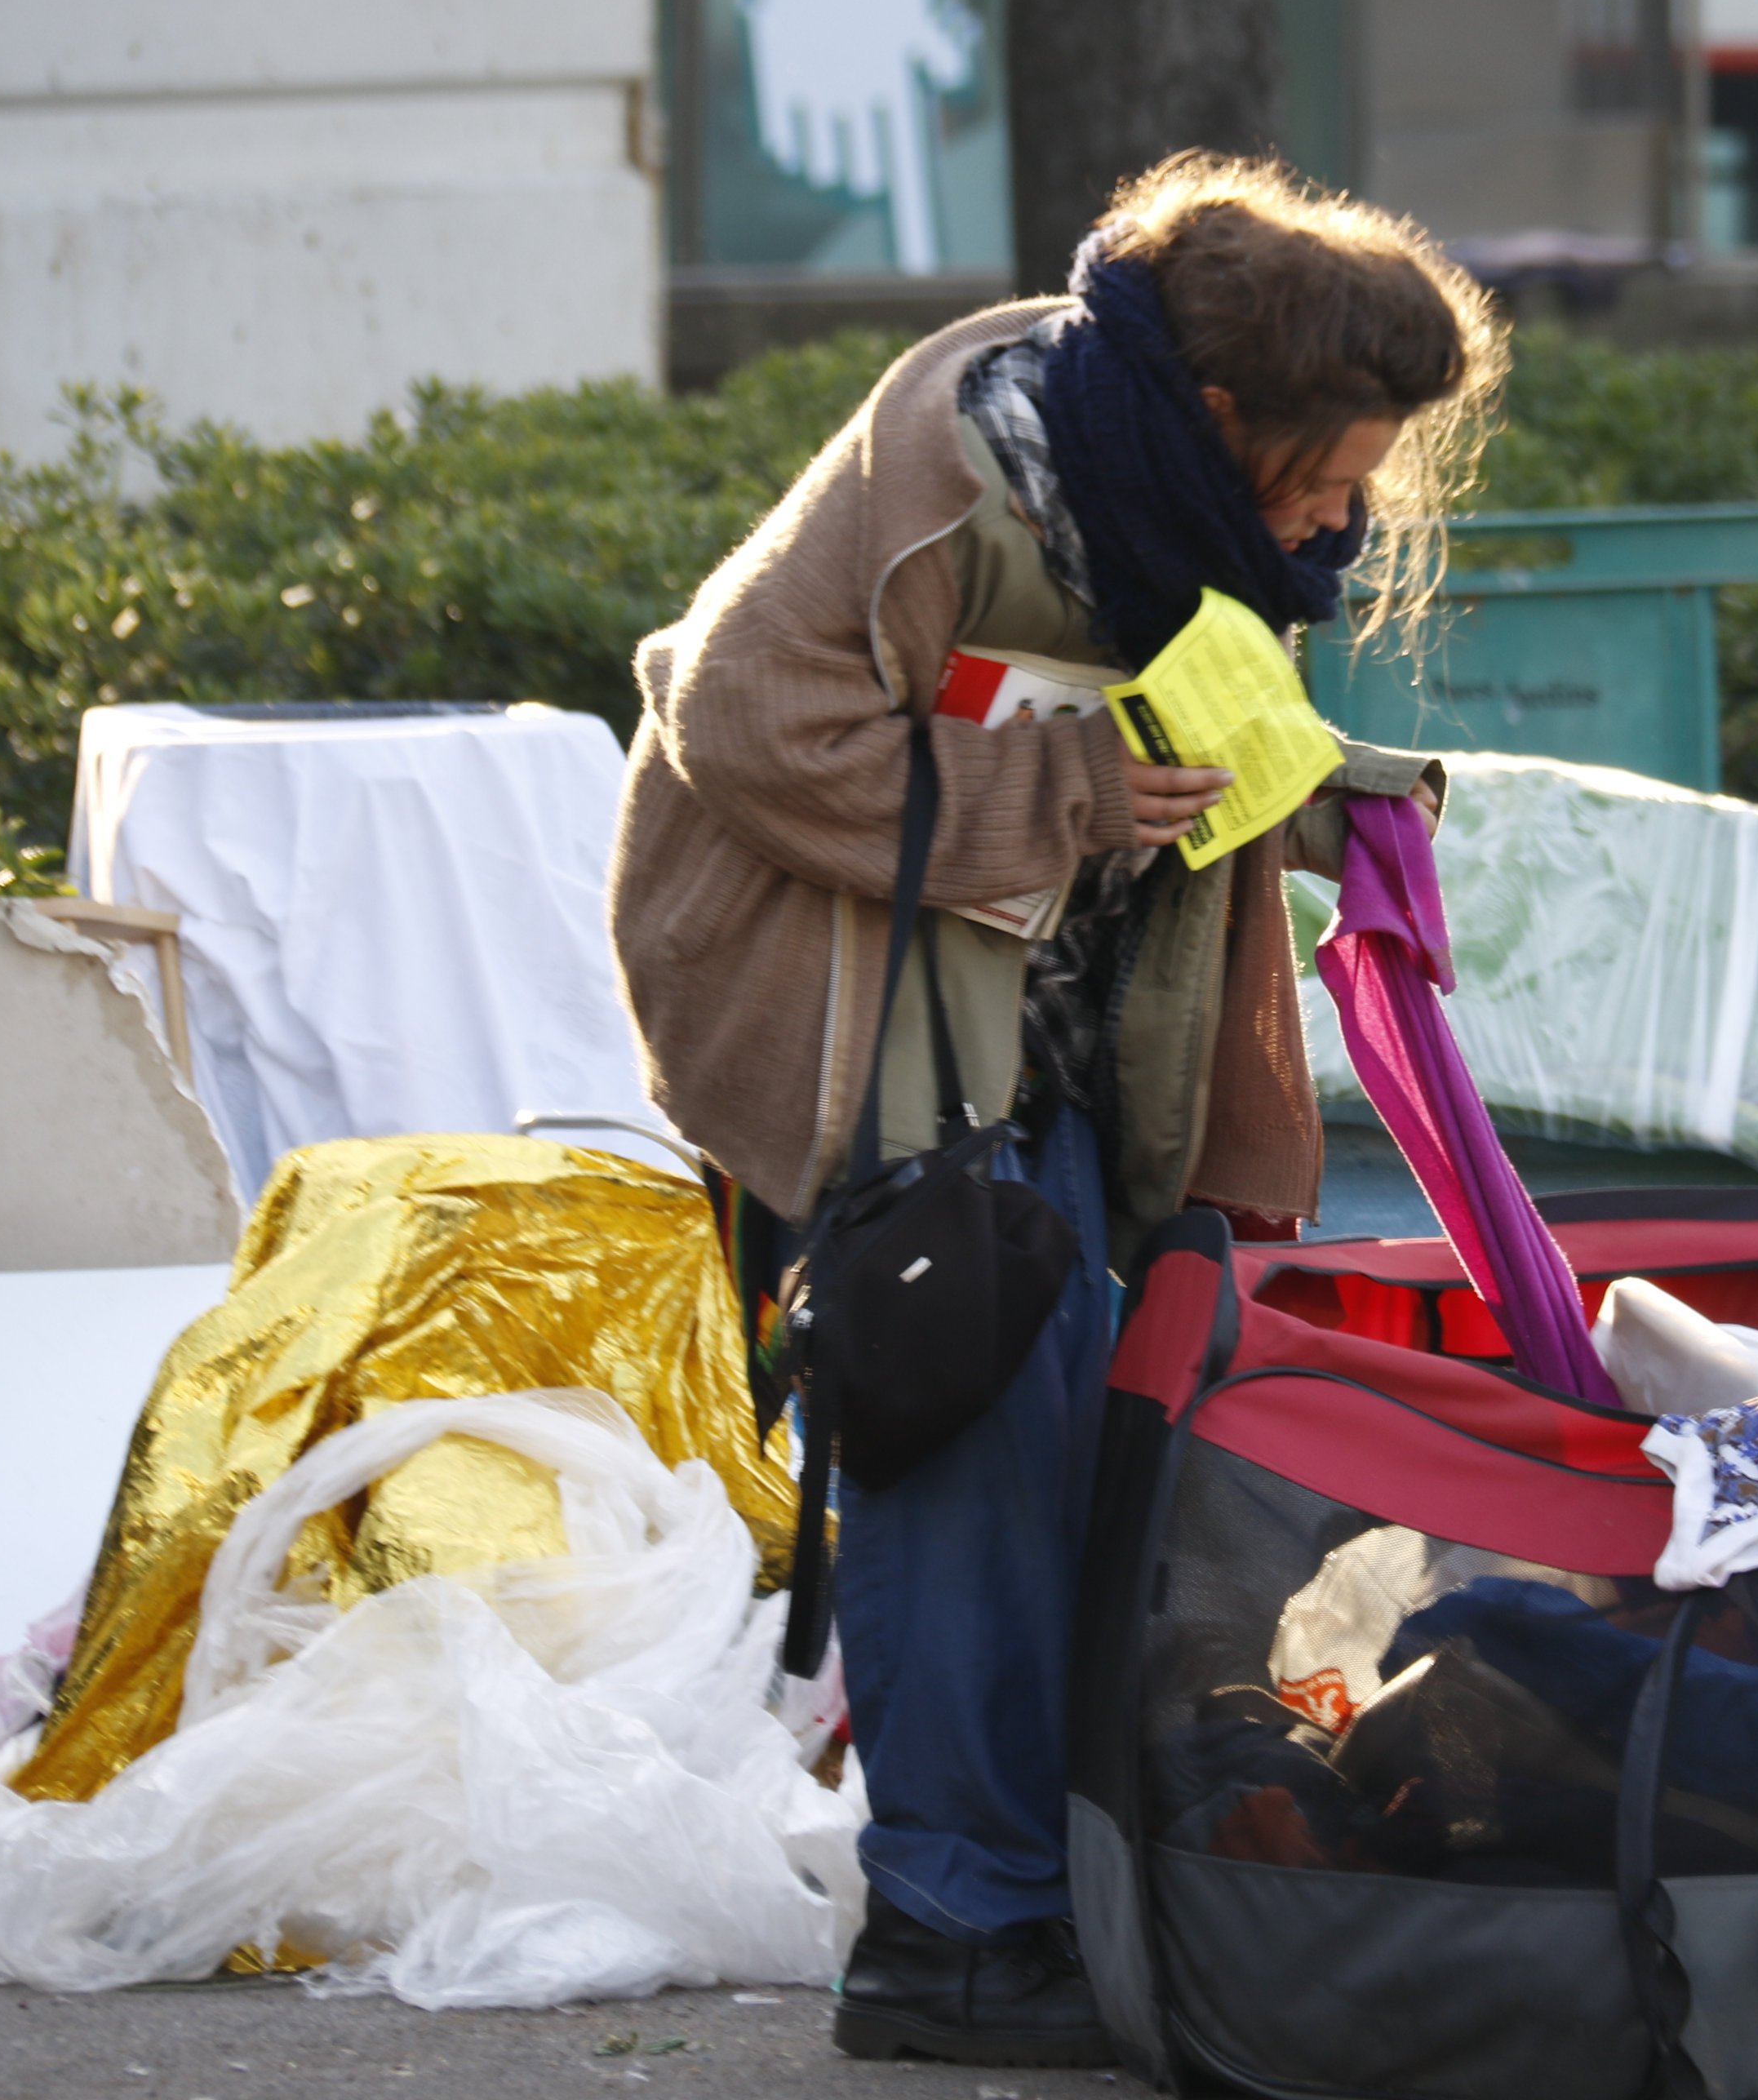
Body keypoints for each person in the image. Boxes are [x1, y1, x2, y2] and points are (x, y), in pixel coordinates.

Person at [605, 153, 1507, 2066]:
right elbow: (733, 707)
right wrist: (1072, 798)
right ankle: (949, 1931)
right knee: (958, 1443)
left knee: (1085, 1445)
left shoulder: (1194, 508)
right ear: (1216, 413)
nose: (1355, 510)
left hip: (1047, 1007)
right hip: (844, 1004)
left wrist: (1344, 792)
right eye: (1337, 465)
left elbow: (1187, 724)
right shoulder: (970, 457)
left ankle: (1047, 1893)